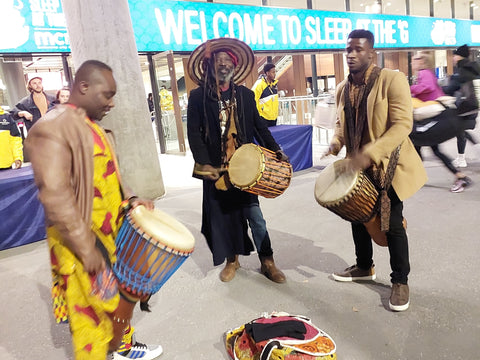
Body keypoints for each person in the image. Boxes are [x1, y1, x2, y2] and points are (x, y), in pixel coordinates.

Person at [25, 60, 163, 360]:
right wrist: (88, 250)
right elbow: (55, 196)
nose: (112, 103)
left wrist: (130, 200)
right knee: (91, 331)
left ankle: (122, 349)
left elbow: (108, 177)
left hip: (108, 242)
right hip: (81, 249)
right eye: (107, 95)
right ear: (83, 87)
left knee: (114, 314)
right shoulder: (51, 128)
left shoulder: (89, 126)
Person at [324, 30, 427, 311]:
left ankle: (400, 281)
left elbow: (403, 125)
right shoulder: (343, 88)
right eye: (348, 50)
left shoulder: (391, 80)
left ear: (372, 53)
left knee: (392, 224)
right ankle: (364, 266)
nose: (351, 54)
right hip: (357, 168)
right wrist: (335, 143)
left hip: (387, 166)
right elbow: (341, 125)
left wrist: (369, 154)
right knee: (356, 217)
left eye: (358, 49)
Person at [187, 38, 288, 283]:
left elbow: (259, 126)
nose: (223, 64)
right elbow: (194, 135)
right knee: (225, 218)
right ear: (210, 67)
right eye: (218, 61)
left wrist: (275, 149)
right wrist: (204, 164)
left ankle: (267, 261)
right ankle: (232, 261)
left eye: (227, 61)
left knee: (255, 216)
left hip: (245, 168)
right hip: (217, 169)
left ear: (233, 67)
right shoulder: (198, 97)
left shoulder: (244, 95)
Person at [410, 51, 472, 193]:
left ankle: (461, 177)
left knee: (418, 141)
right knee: (426, 147)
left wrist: (408, 90)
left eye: (415, 60)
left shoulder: (424, 72)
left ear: (421, 62)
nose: (412, 62)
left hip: (437, 116)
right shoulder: (425, 73)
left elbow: (428, 87)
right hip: (434, 117)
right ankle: (459, 176)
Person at [442, 44, 480, 168]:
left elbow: (451, 88)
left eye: (455, 55)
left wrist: (439, 89)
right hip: (474, 105)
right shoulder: (475, 67)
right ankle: (473, 148)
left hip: (464, 105)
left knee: (458, 128)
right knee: (460, 129)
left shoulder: (462, 70)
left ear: (459, 56)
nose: (453, 57)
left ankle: (462, 158)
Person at [252, 63, 279, 127]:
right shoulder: (259, 84)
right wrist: (258, 115)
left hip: (273, 118)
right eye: (273, 72)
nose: (275, 74)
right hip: (263, 118)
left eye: (275, 72)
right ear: (267, 73)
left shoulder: (274, 84)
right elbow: (253, 100)